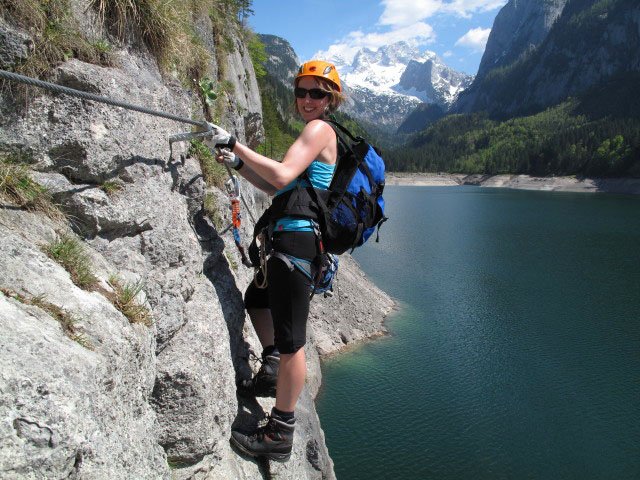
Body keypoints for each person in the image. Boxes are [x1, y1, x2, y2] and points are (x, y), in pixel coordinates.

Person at [205, 60, 345, 461]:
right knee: (257, 300)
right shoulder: (313, 133)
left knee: (291, 341)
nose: (307, 100)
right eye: (301, 91)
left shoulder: (319, 130)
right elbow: (275, 187)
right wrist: (238, 164)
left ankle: (280, 432)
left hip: (296, 244)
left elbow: (281, 176)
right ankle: (271, 368)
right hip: (288, 241)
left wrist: (236, 144)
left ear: (330, 100)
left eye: (317, 93)